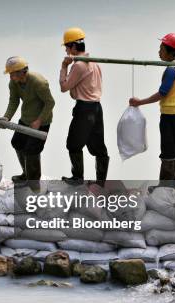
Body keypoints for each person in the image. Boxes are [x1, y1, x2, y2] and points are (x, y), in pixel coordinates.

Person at [129, 33, 175, 191]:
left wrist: (139, 102)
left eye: (161, 48)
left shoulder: (171, 70)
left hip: (170, 115)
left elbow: (162, 93)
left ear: (170, 51)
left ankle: (165, 187)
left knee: (169, 150)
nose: (159, 52)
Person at [59, 27, 109, 187]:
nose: (66, 50)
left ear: (73, 46)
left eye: (67, 47)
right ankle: (101, 182)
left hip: (84, 109)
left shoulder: (79, 65)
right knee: (98, 146)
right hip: (96, 107)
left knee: (73, 144)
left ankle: (77, 178)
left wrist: (64, 67)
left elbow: (64, 87)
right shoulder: (93, 62)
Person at [0, 56, 55, 191]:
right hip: (26, 119)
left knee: (32, 151)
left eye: (12, 73)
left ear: (22, 72)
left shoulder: (38, 82)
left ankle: (34, 185)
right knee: (17, 143)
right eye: (10, 74)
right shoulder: (13, 83)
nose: (11, 76)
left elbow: (50, 103)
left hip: (42, 121)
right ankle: (26, 174)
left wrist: (39, 121)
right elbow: (14, 101)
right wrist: (7, 117)